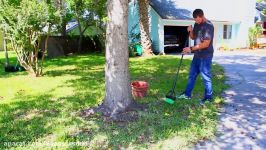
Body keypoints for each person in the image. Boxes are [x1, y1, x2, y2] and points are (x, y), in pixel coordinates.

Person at [178, 9, 214, 105]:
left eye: (198, 20)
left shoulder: (208, 26)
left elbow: (206, 44)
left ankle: (208, 98)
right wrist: (190, 31)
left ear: (202, 16)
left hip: (206, 56)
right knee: (192, 75)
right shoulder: (197, 24)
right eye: (195, 20)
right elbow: (193, 37)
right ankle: (187, 94)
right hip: (197, 55)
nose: (196, 22)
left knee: (205, 77)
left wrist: (190, 48)